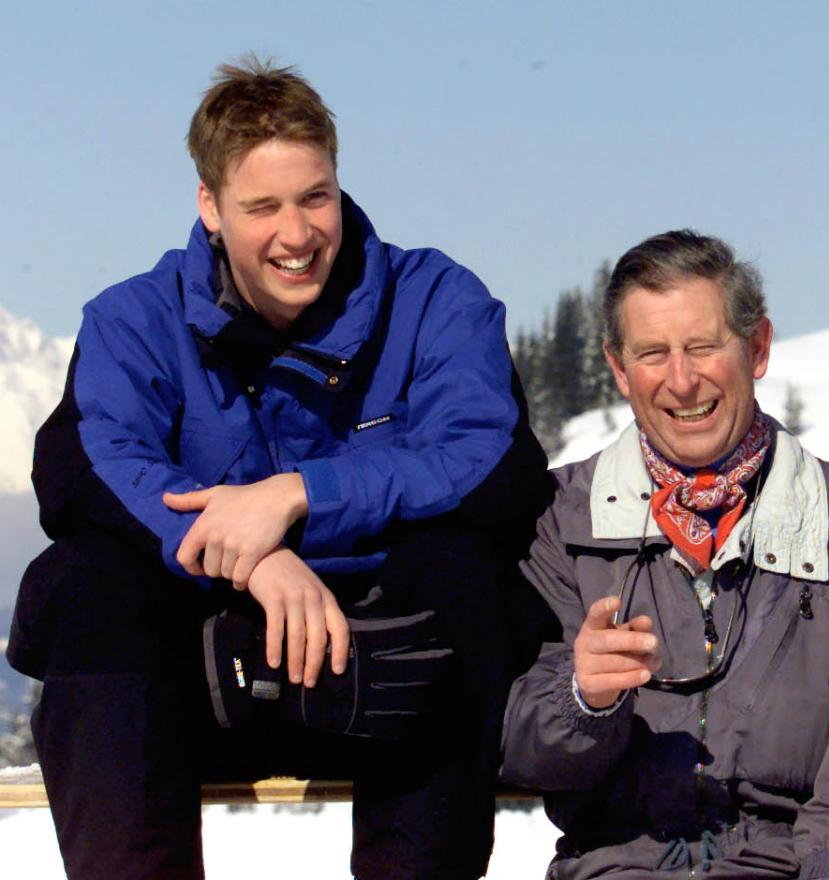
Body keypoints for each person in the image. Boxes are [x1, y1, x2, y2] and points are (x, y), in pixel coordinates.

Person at [5, 57, 549, 880]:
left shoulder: (439, 300)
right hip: (192, 675)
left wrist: (298, 497)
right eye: (262, 206)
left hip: (390, 675)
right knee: (84, 584)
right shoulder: (133, 320)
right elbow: (90, 471)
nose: (296, 236)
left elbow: (488, 463)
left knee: (465, 575)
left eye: (315, 197)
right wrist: (254, 555)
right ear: (210, 207)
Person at [500, 230, 829, 879]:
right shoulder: (560, 520)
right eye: (653, 353)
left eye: (704, 348)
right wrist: (582, 701)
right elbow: (516, 742)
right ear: (618, 367)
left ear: (758, 347)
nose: (682, 382)